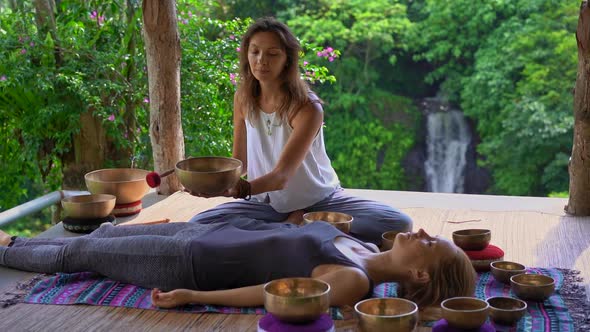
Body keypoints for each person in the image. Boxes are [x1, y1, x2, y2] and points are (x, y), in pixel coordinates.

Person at [188, 17, 412, 245]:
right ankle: (293, 229)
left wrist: (238, 189)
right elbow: (240, 163)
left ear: (287, 60)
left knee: (398, 223)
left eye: (272, 54)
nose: (261, 61)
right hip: (264, 204)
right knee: (198, 225)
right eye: (255, 52)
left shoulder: (307, 107)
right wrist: (212, 183)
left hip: (320, 201)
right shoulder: (243, 98)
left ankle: (286, 232)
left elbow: (281, 177)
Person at [0, 220, 476, 314]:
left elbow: (272, 292)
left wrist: (195, 297)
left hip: (189, 262)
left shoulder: (354, 280)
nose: (424, 234)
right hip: (200, 235)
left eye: (431, 246)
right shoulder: (361, 244)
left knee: (77, 255)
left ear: (419, 275)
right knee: (101, 235)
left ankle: (7, 246)